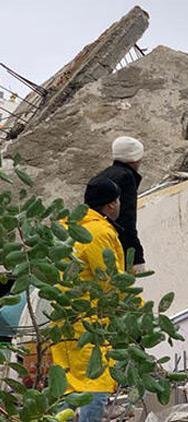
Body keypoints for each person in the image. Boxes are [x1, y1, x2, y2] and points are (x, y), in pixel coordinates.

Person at [50, 176, 124, 422]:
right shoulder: (99, 232)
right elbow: (109, 280)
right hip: (89, 321)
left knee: (69, 384)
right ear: (111, 205)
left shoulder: (66, 226)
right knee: (97, 382)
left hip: (62, 319)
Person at [94, 136, 145, 270]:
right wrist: (136, 258)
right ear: (135, 159)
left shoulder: (102, 176)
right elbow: (127, 219)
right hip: (116, 243)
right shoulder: (127, 178)